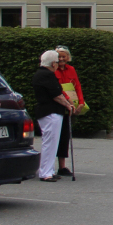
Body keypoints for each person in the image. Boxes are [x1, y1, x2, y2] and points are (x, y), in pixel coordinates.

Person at [32, 50, 76, 182]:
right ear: (53, 63)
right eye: (57, 62)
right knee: (50, 143)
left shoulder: (41, 74)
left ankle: (48, 170)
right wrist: (68, 105)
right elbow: (56, 94)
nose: (58, 64)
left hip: (48, 111)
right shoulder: (47, 75)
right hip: (50, 112)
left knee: (51, 143)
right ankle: (45, 172)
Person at [53, 45, 86, 177]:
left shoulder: (71, 69)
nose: (61, 58)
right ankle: (50, 165)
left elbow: (77, 86)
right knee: (56, 136)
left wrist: (81, 102)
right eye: (58, 56)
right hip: (58, 105)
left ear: (68, 57)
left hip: (70, 106)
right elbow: (57, 88)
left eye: (63, 55)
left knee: (65, 135)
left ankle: (62, 166)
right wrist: (68, 101)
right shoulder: (53, 70)